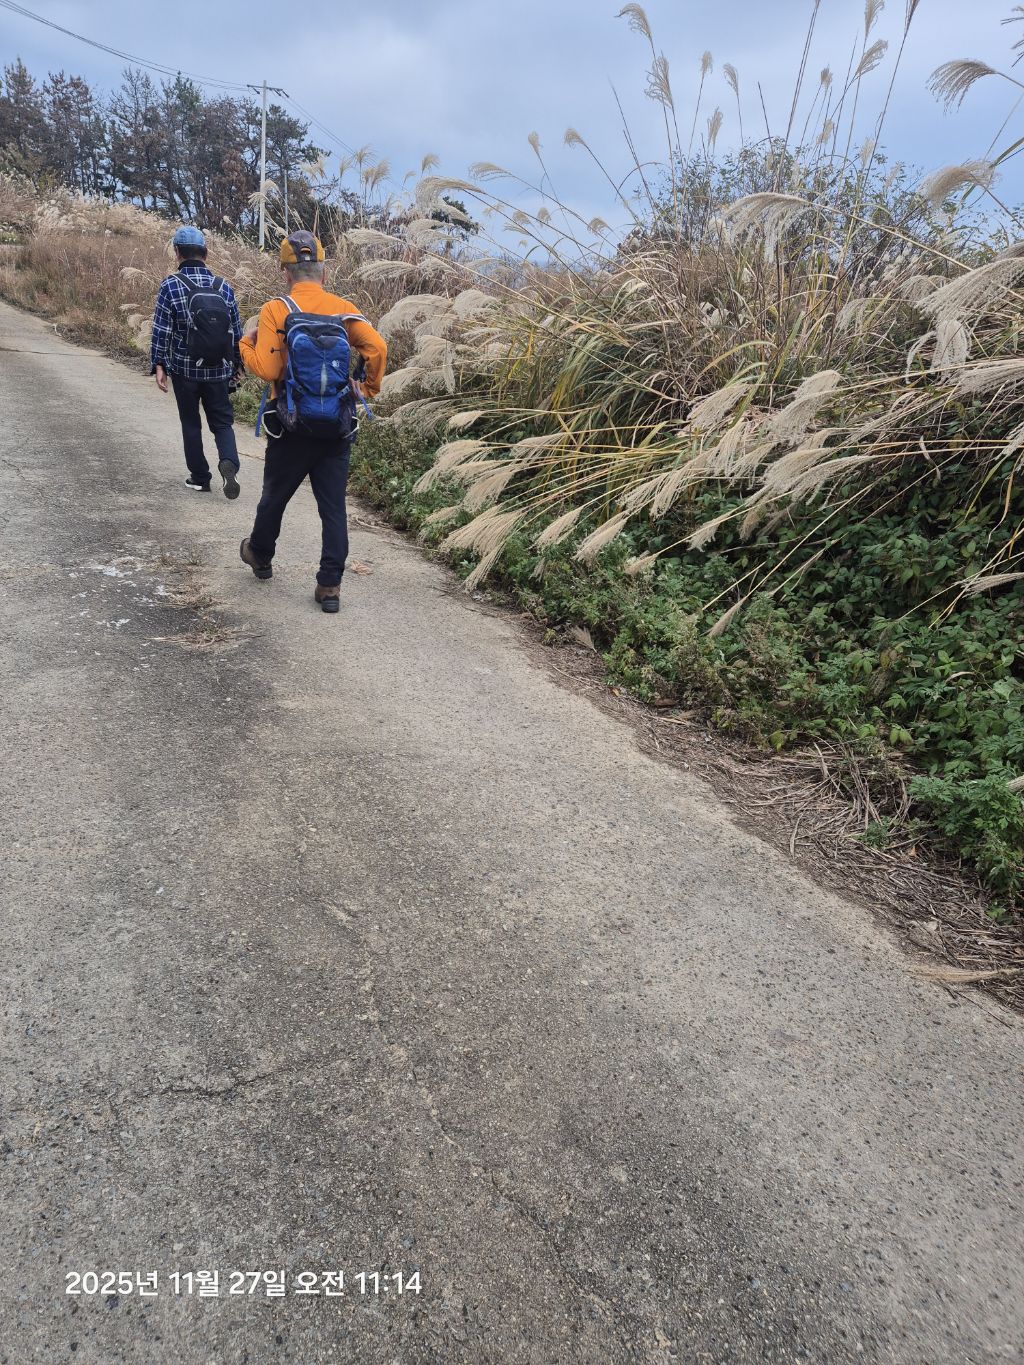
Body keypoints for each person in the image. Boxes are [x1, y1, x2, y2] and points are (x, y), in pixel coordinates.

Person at [238, 230, 387, 614]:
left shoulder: (277, 309)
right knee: (333, 507)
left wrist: (245, 344)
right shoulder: (343, 309)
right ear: (324, 272)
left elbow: (269, 368)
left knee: (275, 496)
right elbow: (378, 348)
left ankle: (260, 555)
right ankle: (329, 586)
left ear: (286, 273)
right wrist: (366, 388)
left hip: (290, 423)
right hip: (336, 424)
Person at [150, 225, 244, 499]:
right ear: (206, 253)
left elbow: (162, 329)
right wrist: (238, 364)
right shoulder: (223, 286)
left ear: (177, 252)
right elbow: (236, 330)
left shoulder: (171, 285)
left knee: (191, 423)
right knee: (222, 423)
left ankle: (201, 478)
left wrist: (159, 364)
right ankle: (229, 462)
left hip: (185, 369)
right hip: (219, 370)